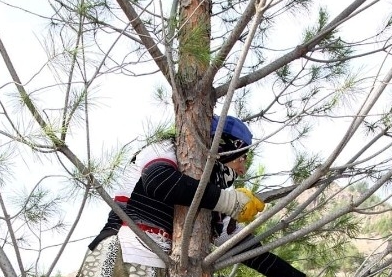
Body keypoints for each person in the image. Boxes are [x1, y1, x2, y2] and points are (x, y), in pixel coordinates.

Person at [76, 115, 305, 277]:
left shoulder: (207, 192)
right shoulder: (164, 148)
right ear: (224, 146)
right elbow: (160, 182)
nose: (243, 169)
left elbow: (247, 251)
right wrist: (228, 201)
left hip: (155, 265)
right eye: (241, 158)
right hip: (122, 254)